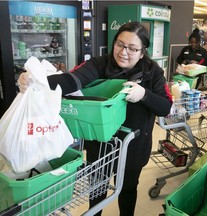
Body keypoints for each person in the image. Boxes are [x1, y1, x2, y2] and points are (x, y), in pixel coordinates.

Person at [18, 21, 173, 216]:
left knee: (127, 188)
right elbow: (71, 81)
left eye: (132, 49)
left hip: (134, 145)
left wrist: (144, 95)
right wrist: (36, 81)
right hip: (99, 146)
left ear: (142, 52)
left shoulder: (153, 72)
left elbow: (166, 107)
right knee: (97, 189)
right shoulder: (98, 64)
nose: (123, 52)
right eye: (120, 44)